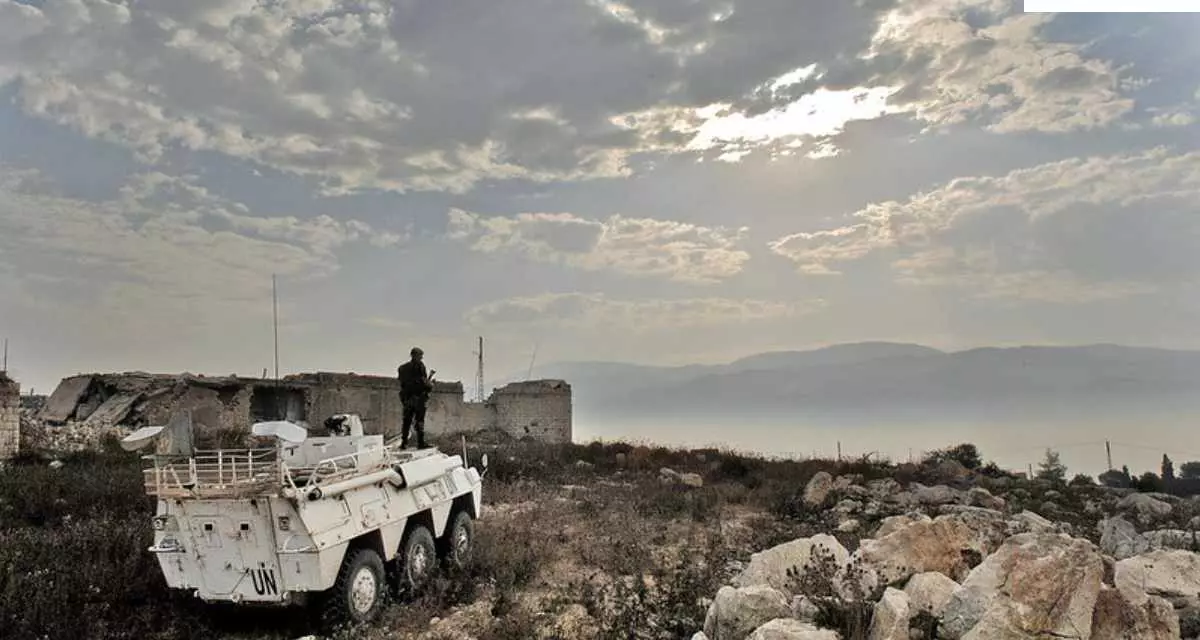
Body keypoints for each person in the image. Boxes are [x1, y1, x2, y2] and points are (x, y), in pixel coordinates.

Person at [397, 346, 434, 449]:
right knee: (419, 421)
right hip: (417, 399)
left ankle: (404, 443)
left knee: (407, 422)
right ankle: (420, 443)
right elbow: (423, 383)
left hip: (407, 399)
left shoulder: (402, 368)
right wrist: (430, 384)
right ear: (415, 356)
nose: (421, 358)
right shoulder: (420, 366)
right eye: (420, 356)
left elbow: (402, 383)